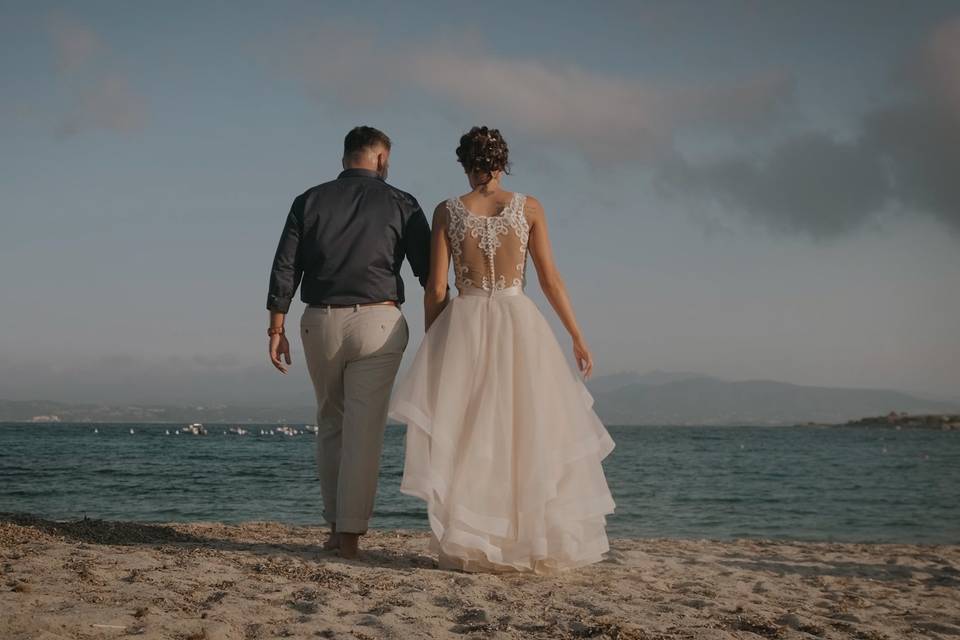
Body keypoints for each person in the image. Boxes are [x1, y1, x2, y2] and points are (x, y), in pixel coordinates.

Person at [388, 126, 616, 574]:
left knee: (472, 431)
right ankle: (529, 540)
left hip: (466, 324)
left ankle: (475, 539)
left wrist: (433, 342)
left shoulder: (447, 211)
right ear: (503, 161)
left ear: (465, 163)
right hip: (519, 323)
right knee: (528, 431)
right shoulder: (528, 207)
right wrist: (576, 334)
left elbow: (436, 288)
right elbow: (551, 280)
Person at [266, 126, 431, 559]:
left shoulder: (309, 200)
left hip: (319, 321)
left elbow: (286, 266)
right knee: (364, 432)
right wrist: (448, 321)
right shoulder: (402, 202)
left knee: (331, 426)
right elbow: (428, 271)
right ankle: (351, 536)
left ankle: (336, 528)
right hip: (378, 321)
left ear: (345, 157)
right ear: (381, 158)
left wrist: (275, 328)